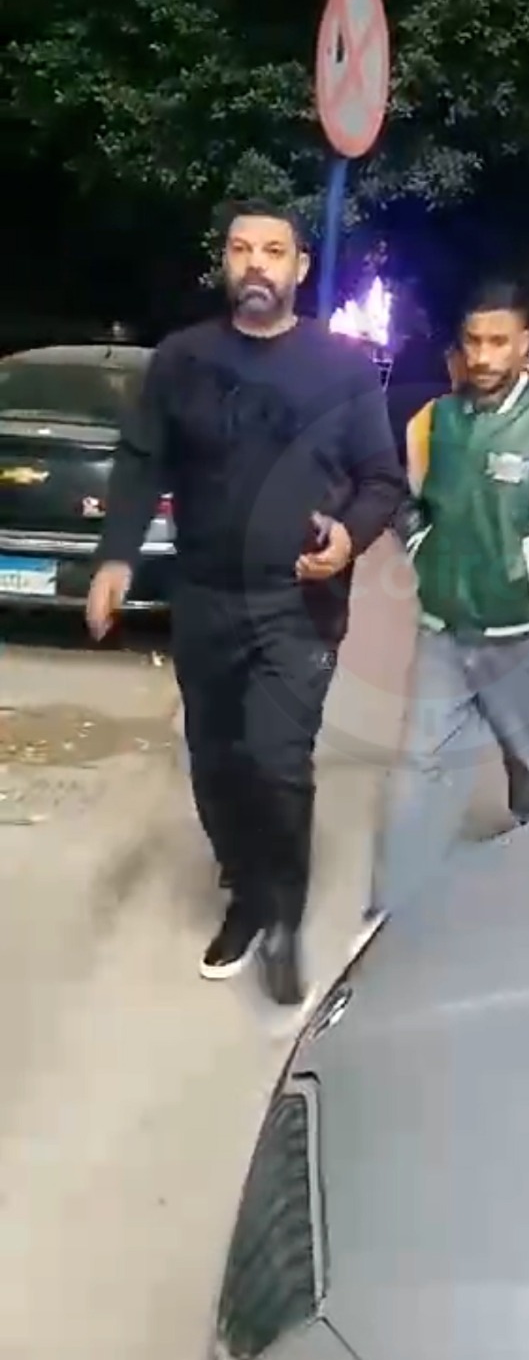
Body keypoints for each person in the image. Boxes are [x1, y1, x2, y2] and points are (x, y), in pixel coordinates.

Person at [86, 200, 404, 1005]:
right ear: (224, 263)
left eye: (274, 250)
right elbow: (141, 460)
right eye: (240, 249)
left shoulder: (341, 367)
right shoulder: (182, 360)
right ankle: (248, 886)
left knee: (276, 759)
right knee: (217, 760)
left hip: (300, 603)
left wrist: (349, 538)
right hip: (203, 596)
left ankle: (283, 917)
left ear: (300, 267)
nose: (256, 263)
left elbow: (382, 480)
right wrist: (116, 556)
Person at [368, 280, 529, 921]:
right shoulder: (431, 424)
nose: (483, 356)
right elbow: (405, 500)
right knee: (417, 772)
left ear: (525, 343)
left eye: (498, 342)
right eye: (474, 341)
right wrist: (420, 543)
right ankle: (390, 917)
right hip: (442, 633)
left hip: (524, 636)